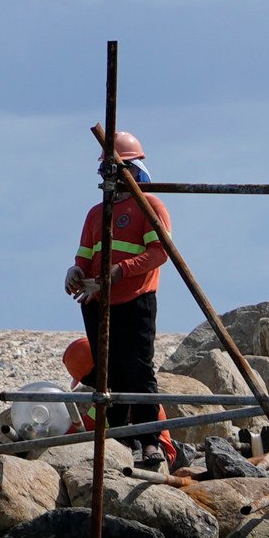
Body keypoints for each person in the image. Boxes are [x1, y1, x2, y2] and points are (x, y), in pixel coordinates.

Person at [66, 129, 175, 467]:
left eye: (110, 170)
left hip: (135, 300)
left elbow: (160, 253)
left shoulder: (149, 206)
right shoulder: (96, 214)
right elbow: (85, 256)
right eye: (103, 171)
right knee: (108, 374)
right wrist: (75, 272)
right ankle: (118, 440)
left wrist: (120, 271)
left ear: (129, 170)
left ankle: (149, 440)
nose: (104, 176)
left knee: (138, 371)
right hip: (97, 302)